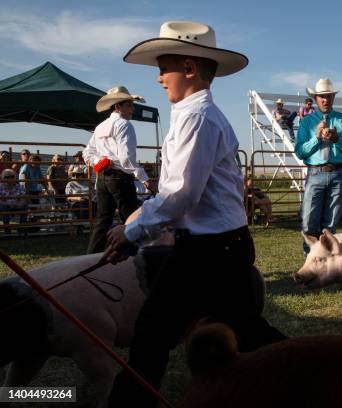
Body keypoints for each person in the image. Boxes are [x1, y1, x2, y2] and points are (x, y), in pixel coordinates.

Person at [103, 21, 285, 407]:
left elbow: (179, 194)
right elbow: (181, 194)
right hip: (220, 246)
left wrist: (132, 234)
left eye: (163, 67)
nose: (158, 78)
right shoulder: (196, 115)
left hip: (208, 250)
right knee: (247, 331)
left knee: (152, 331)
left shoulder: (196, 118)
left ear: (188, 68)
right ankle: (311, 372)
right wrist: (136, 226)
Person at [83, 86, 154, 254]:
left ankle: (91, 256)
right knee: (130, 217)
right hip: (120, 177)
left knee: (103, 219)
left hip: (103, 177)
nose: (132, 109)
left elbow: (88, 153)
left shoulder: (101, 126)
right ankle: (137, 254)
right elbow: (126, 159)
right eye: (129, 105)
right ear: (118, 107)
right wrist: (143, 176)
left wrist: (100, 162)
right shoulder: (125, 125)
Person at [296, 78, 342, 255]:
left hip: (337, 173)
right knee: (309, 220)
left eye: (328, 96)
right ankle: (310, 257)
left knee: (330, 223)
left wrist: (337, 139)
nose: (325, 100)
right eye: (322, 97)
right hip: (316, 172)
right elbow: (300, 152)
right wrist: (316, 138)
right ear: (316, 99)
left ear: (333, 97)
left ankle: (327, 259)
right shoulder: (307, 122)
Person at [0, 169, 28, 233]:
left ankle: (22, 229)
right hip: (5, 206)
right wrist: (7, 203)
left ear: (15, 177)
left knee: (24, 207)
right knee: (3, 208)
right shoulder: (0, 187)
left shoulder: (20, 187)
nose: (10, 178)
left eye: (12, 176)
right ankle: (7, 229)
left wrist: (19, 204)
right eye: (7, 177)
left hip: (17, 205)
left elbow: (24, 198)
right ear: (2, 178)